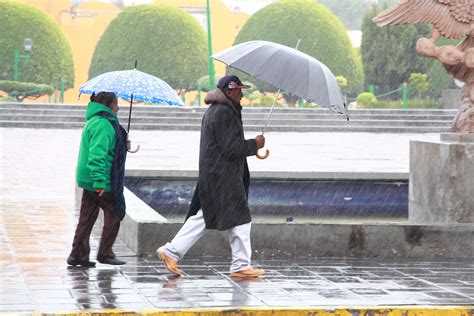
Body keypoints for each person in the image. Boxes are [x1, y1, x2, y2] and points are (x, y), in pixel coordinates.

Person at [157, 75, 266, 278]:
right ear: (230, 91)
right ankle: (240, 265)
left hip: (215, 174)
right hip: (223, 176)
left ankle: (171, 251)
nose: (242, 95)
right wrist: (255, 144)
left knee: (205, 216)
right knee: (241, 218)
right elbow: (231, 148)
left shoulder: (216, 110)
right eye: (239, 91)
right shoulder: (224, 112)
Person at [67, 91, 129, 267]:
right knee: (115, 213)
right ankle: (105, 253)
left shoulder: (96, 120)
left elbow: (107, 148)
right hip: (100, 180)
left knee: (87, 217)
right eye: (116, 103)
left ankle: (77, 255)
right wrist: (100, 181)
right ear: (109, 105)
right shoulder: (103, 124)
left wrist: (123, 145)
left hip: (89, 178)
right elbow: (97, 155)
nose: (118, 107)